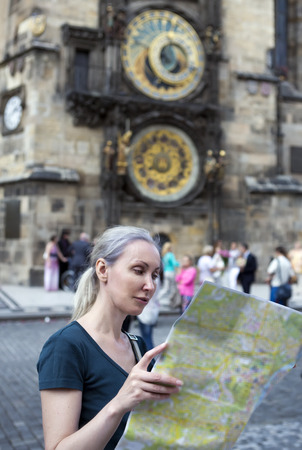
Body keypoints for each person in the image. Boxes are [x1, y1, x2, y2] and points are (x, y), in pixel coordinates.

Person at [37, 226, 183, 450]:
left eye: (155, 274)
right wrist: (119, 404)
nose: (150, 285)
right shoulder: (66, 346)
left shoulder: (137, 346)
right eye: (138, 270)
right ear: (103, 269)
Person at [158, 241, 180, 309]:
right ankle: (171, 301)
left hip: (166, 272)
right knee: (173, 288)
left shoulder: (164, 255)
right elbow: (174, 263)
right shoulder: (170, 254)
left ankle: (157, 298)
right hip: (171, 272)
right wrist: (179, 263)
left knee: (166, 288)